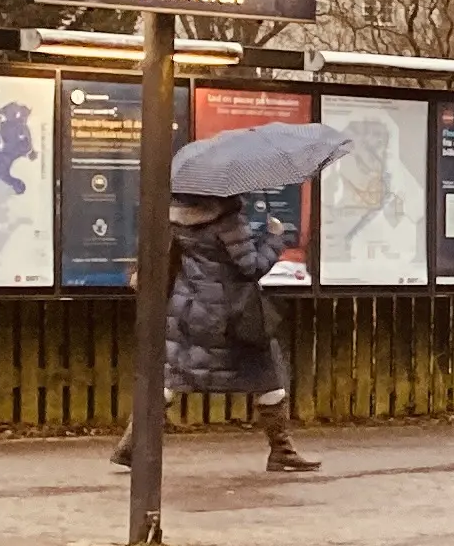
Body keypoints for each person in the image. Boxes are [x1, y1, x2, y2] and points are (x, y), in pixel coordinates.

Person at [111, 193, 317, 474]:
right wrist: (274, 238)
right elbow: (250, 267)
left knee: (171, 377)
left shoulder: (177, 217)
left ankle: (130, 446)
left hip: (189, 310)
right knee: (268, 376)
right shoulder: (229, 221)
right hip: (231, 314)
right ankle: (282, 451)